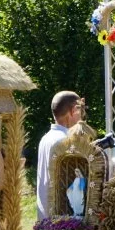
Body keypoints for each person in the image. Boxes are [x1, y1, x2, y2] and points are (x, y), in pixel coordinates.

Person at [36, 91, 85, 221]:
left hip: (47, 216)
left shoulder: (46, 138)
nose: (81, 118)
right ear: (73, 110)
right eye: (80, 112)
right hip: (64, 218)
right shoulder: (64, 141)